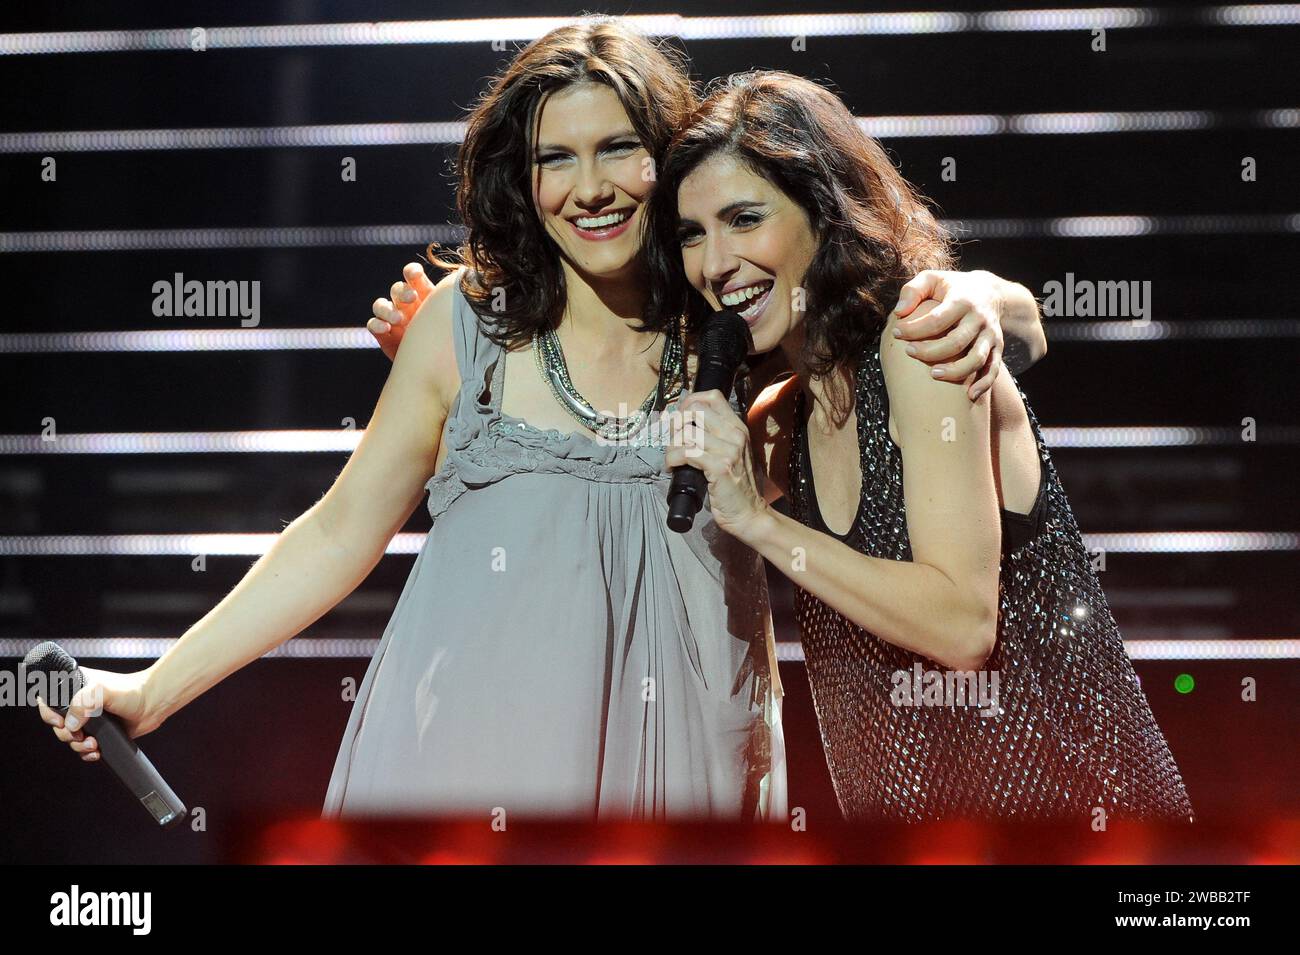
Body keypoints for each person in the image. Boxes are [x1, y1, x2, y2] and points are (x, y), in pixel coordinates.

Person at [36, 21, 1045, 821]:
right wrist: (155, 688)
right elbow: (337, 532)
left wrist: (990, 299)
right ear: (523, 180)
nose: (589, 187)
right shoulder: (463, 325)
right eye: (554, 158)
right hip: (459, 758)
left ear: (671, 160)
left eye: (619, 149)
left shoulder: (731, 316)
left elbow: (900, 323)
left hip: (685, 764)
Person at [649, 71, 1194, 822]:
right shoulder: (780, 421)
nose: (715, 263)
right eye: (692, 234)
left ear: (824, 210)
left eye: (744, 218)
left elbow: (962, 625)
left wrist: (760, 520)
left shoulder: (916, 349)